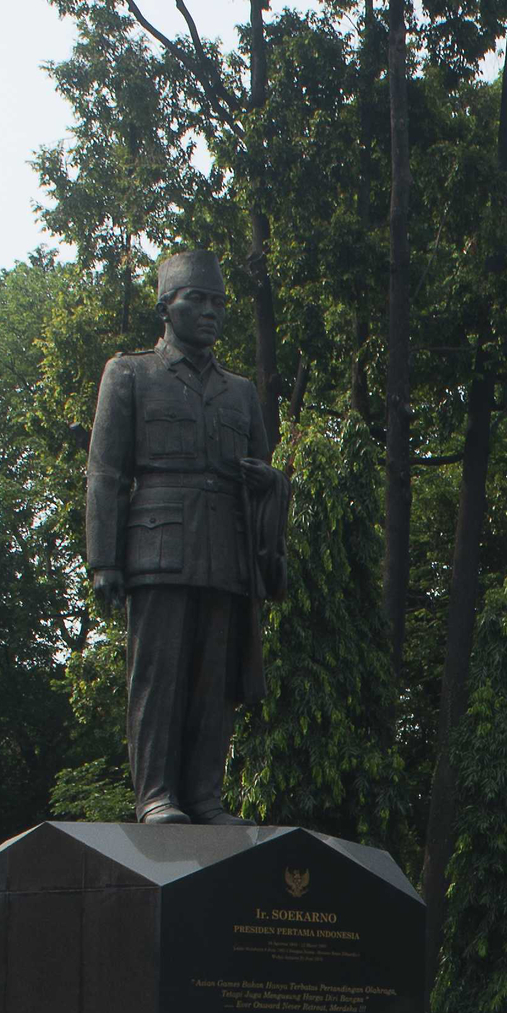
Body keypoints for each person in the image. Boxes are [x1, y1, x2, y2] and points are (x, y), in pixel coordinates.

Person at [86, 249, 287, 823]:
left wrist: (270, 481)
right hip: (159, 545)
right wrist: (104, 561)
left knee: (214, 681)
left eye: (218, 302)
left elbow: (266, 474)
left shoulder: (241, 392)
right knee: (159, 676)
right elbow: (105, 472)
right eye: (196, 299)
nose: (210, 312)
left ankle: (204, 796)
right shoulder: (130, 374)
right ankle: (156, 795)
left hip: (226, 551)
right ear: (165, 306)